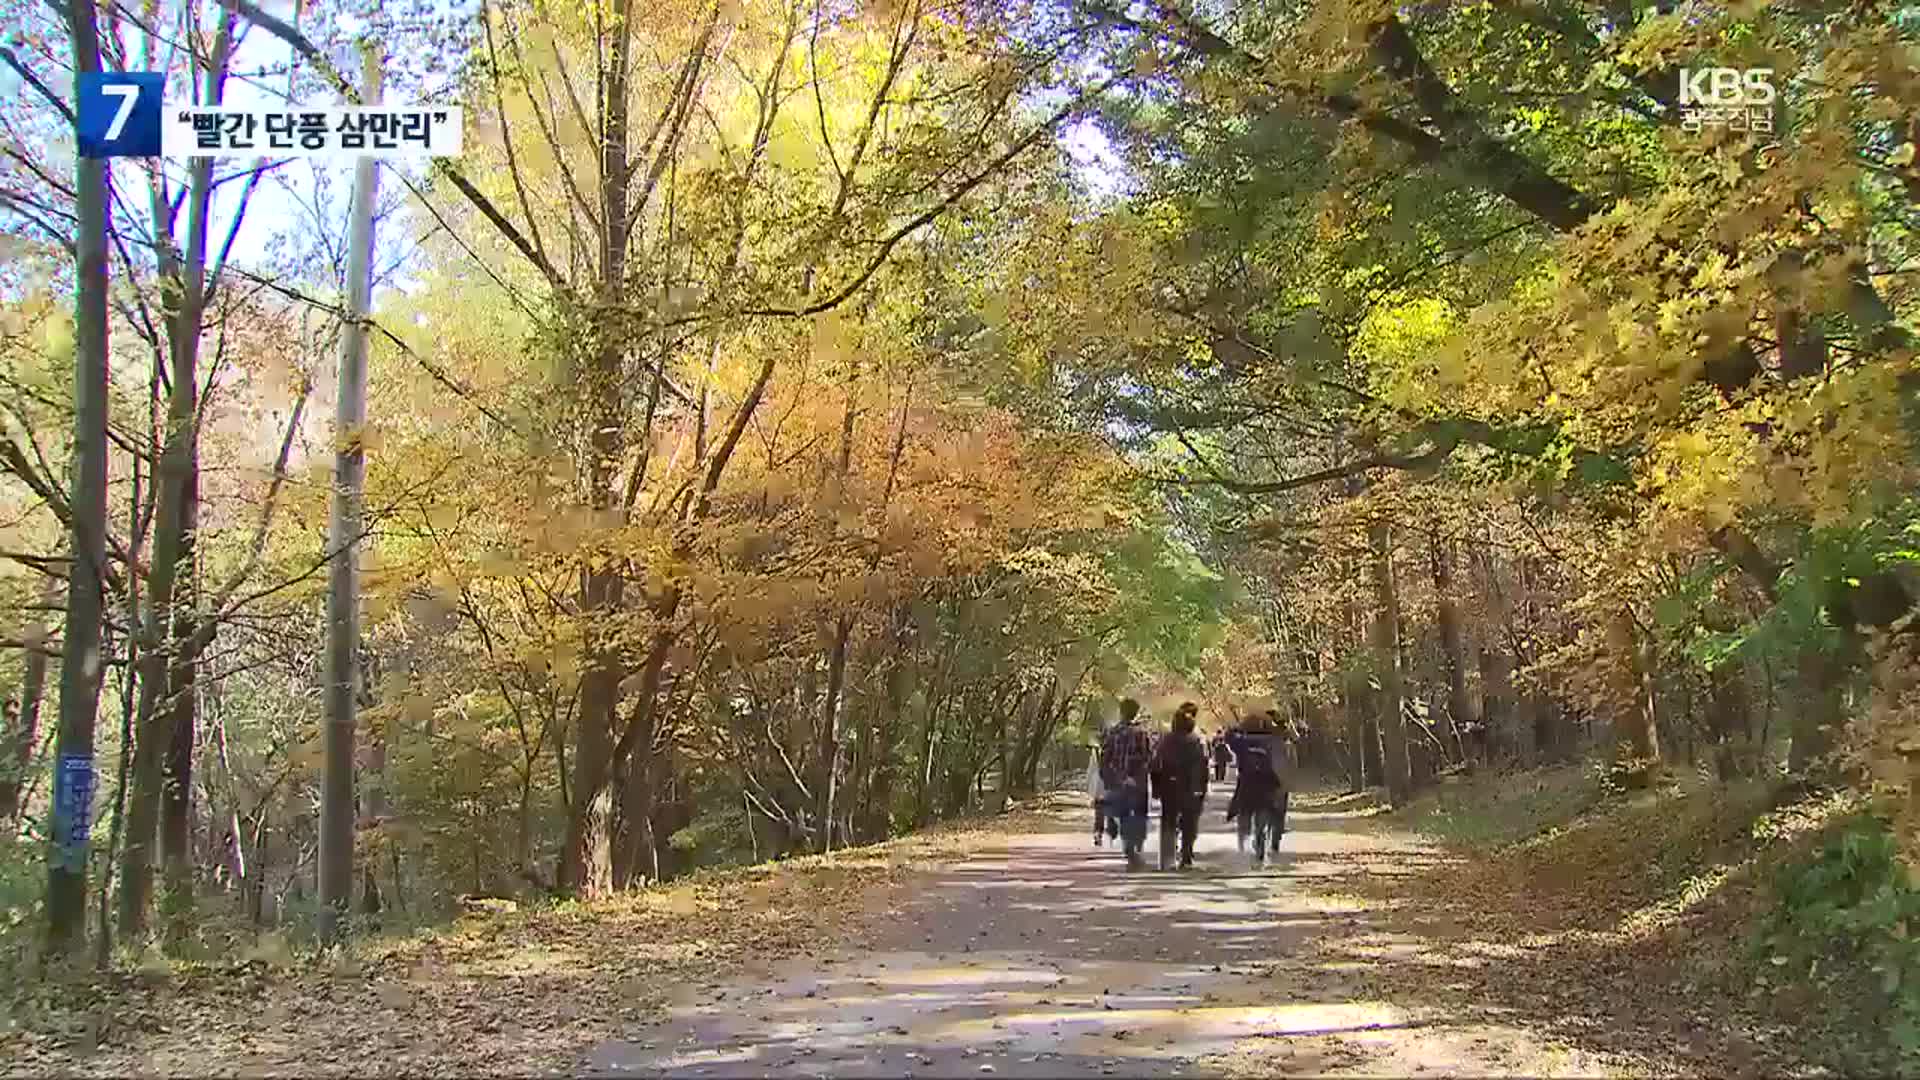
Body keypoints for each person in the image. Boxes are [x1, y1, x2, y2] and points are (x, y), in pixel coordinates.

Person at [1149, 702, 1210, 871]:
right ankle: (1186, 856)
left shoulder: (1165, 740)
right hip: (1191, 788)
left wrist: (1156, 787)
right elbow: (1203, 765)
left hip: (1169, 785)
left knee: (1168, 822)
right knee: (1189, 823)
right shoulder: (1198, 740)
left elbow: (1155, 765)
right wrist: (1202, 788)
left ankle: (1167, 859)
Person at [1224, 712, 1287, 866]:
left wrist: (1237, 728)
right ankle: (1260, 848)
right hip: (1267, 785)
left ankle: (1244, 847)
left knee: (1244, 815)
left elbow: (1228, 737)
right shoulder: (1273, 741)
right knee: (1262, 819)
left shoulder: (1242, 742)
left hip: (1247, 785)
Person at [1099, 697, 1153, 870]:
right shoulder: (1142, 733)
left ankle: (1128, 846)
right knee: (1139, 816)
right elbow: (1147, 759)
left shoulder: (1112, 733)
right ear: (1136, 713)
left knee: (1123, 815)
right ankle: (1134, 848)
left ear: (1121, 712)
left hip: (1117, 782)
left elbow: (1104, 759)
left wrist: (1110, 779)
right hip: (1137, 784)